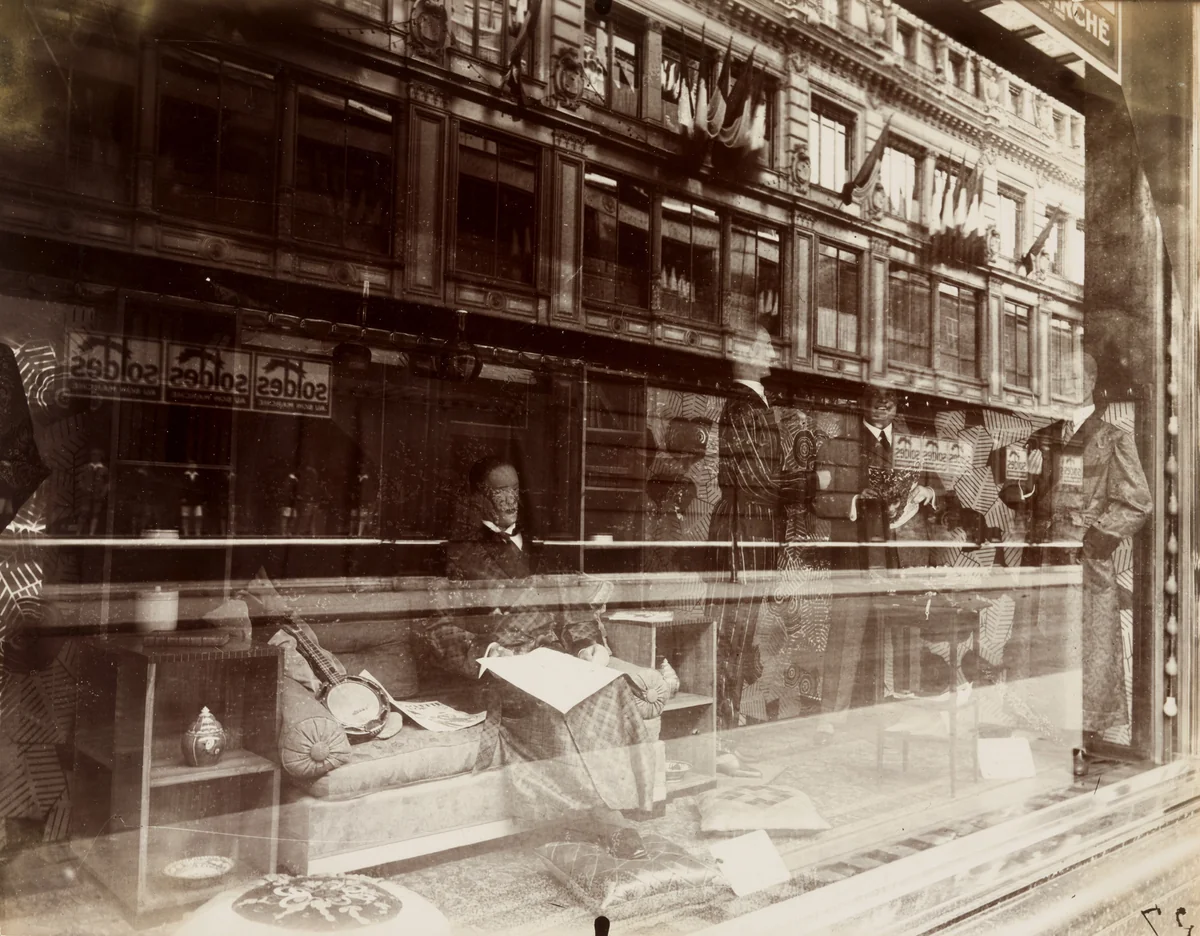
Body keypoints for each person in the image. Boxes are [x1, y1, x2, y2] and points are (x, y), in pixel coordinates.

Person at [418, 456, 667, 829]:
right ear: (477, 498)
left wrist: (586, 643)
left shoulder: (541, 545)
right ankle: (589, 819)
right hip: (500, 672)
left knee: (610, 687)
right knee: (552, 708)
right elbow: (436, 626)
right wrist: (486, 651)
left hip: (556, 662)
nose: (509, 500)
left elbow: (571, 606)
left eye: (514, 490)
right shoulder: (456, 552)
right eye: (498, 491)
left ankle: (629, 799)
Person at [1001, 351, 1151, 777]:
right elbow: (1020, 499)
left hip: (1086, 564)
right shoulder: (1042, 435)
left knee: (1086, 652)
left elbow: (1137, 502)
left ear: (1090, 379)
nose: (1064, 380)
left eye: (1073, 374)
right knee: (1043, 649)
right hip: (1046, 561)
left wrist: (1096, 542)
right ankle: (1049, 733)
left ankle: (1083, 740)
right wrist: (1024, 485)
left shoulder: (1112, 436)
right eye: (1058, 374)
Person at [808, 386, 939, 742]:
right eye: (874, 397)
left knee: (898, 631)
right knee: (846, 632)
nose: (881, 405)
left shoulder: (916, 444)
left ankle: (889, 711)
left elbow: (936, 486)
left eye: (889, 399)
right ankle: (830, 719)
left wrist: (929, 493)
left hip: (902, 556)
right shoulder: (838, 445)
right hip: (857, 552)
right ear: (860, 400)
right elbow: (819, 499)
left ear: (898, 403)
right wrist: (853, 500)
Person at [707, 324, 806, 771]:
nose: (773, 351)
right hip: (741, 536)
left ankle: (724, 731)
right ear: (743, 353)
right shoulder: (741, 406)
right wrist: (804, 484)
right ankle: (717, 737)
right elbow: (757, 480)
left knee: (740, 638)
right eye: (764, 345)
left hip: (755, 533)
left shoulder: (757, 405)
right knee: (728, 636)